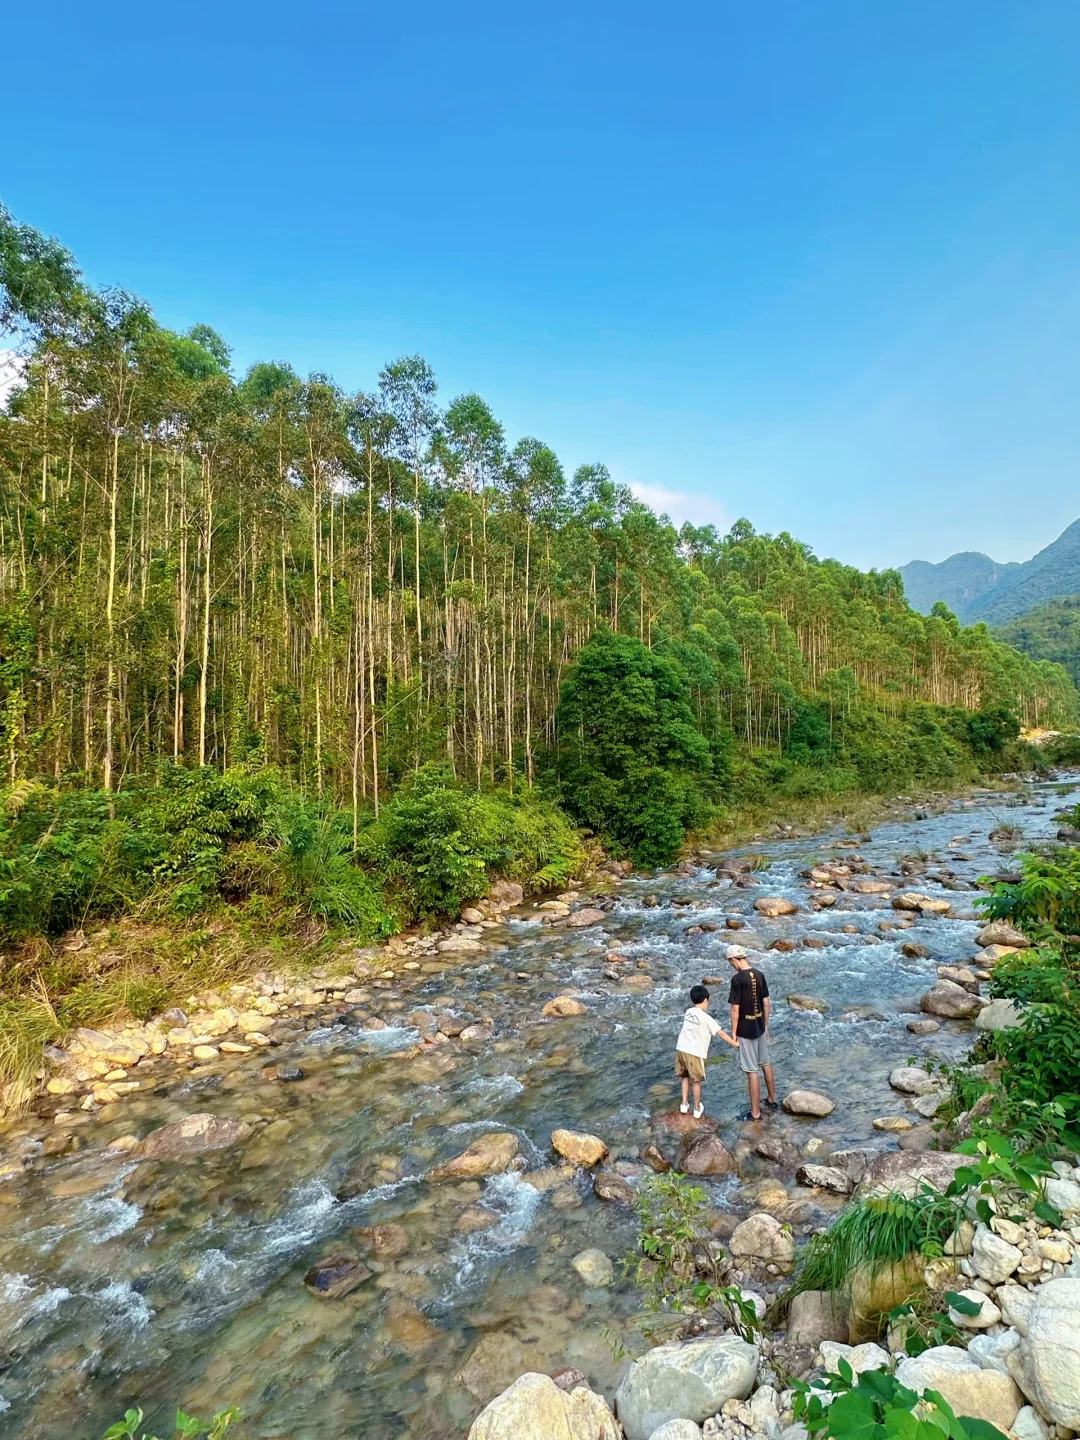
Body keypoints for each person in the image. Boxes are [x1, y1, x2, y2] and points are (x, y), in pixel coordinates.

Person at [726, 944, 777, 1121]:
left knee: (751, 1071)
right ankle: (772, 1100)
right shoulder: (759, 974)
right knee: (765, 1062)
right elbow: (767, 1003)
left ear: (734, 960)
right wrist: (766, 1025)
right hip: (760, 1025)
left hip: (745, 1029)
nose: (731, 965)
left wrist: (733, 1032)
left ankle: (755, 1113)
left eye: (730, 962)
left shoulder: (737, 980)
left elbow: (735, 1010)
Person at [675, 983, 738, 1119]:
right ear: (705, 1000)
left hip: (681, 1048)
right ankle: (697, 1108)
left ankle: (684, 1104)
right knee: (696, 1081)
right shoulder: (707, 1018)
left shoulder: (688, 1012)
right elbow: (720, 1033)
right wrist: (735, 1044)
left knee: (684, 1077)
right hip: (694, 1052)